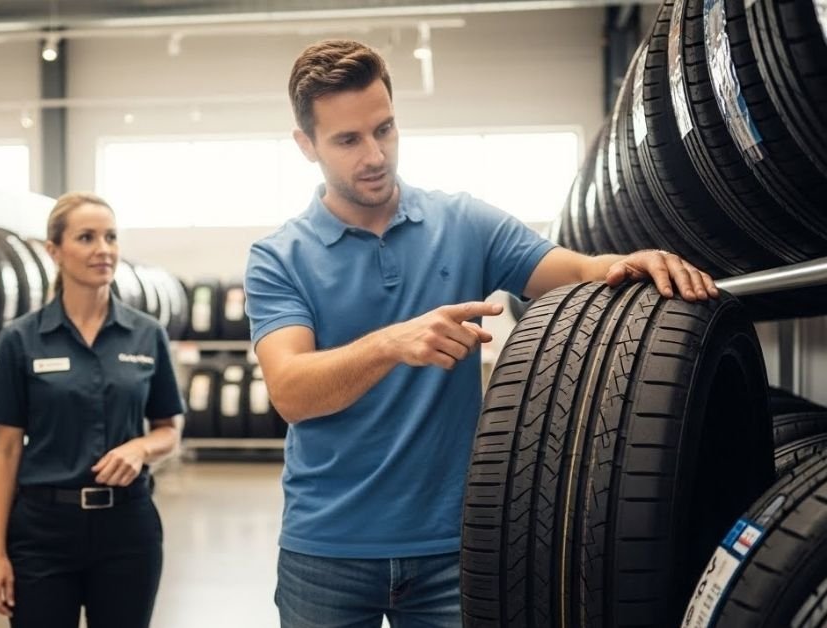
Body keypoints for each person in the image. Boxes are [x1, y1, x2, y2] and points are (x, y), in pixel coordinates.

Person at [245, 39, 718, 628]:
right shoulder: (278, 258)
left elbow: (574, 271)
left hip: (452, 546)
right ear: (306, 145)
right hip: (327, 551)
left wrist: (631, 260)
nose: (375, 155)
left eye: (385, 129)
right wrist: (393, 343)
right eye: (348, 140)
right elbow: (291, 390)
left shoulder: (464, 222)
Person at [0, 191, 185, 628]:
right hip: (43, 531)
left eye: (110, 237)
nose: (103, 250)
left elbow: (169, 429)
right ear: (54, 251)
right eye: (87, 238)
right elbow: (5, 452)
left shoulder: (147, 335)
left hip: (128, 528)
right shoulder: (21, 339)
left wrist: (141, 450)